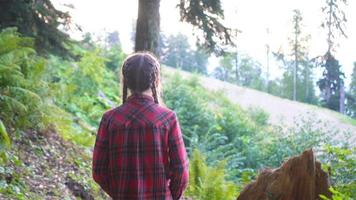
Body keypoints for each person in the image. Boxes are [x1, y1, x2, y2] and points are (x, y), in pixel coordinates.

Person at [92, 52, 189, 200]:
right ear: (156, 80)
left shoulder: (110, 119)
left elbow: (98, 171)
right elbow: (181, 171)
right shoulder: (168, 119)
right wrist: (170, 196)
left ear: (126, 80)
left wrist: (120, 193)